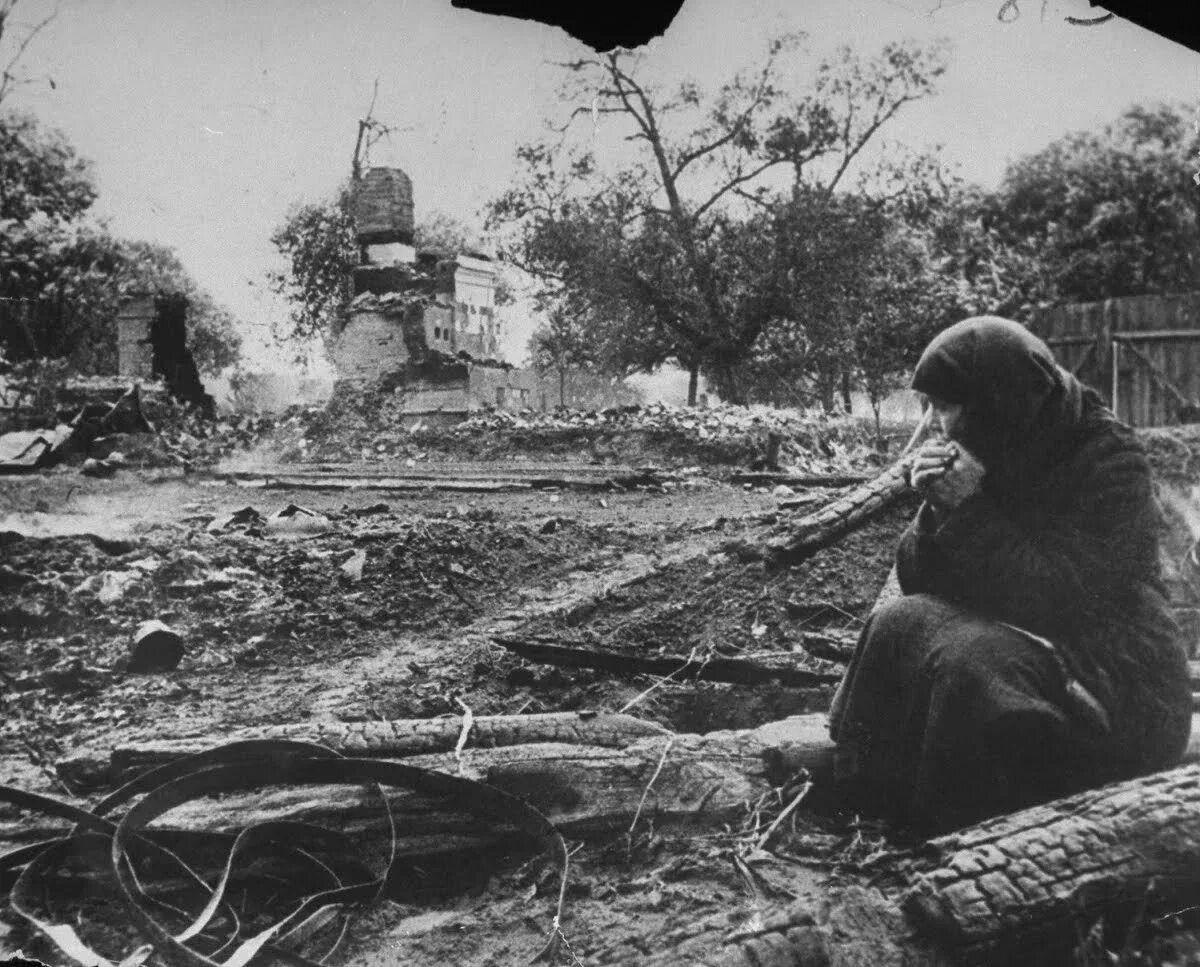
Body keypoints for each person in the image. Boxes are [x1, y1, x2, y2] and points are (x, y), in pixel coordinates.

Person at [828, 315, 1192, 834]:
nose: (936, 423)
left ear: (997, 404)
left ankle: (951, 833)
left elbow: (1059, 597)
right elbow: (918, 581)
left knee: (970, 661)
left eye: (947, 406)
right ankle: (864, 803)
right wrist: (938, 513)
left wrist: (970, 510)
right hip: (1041, 642)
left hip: (1122, 680)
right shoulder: (1004, 444)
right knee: (900, 621)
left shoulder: (1112, 463)